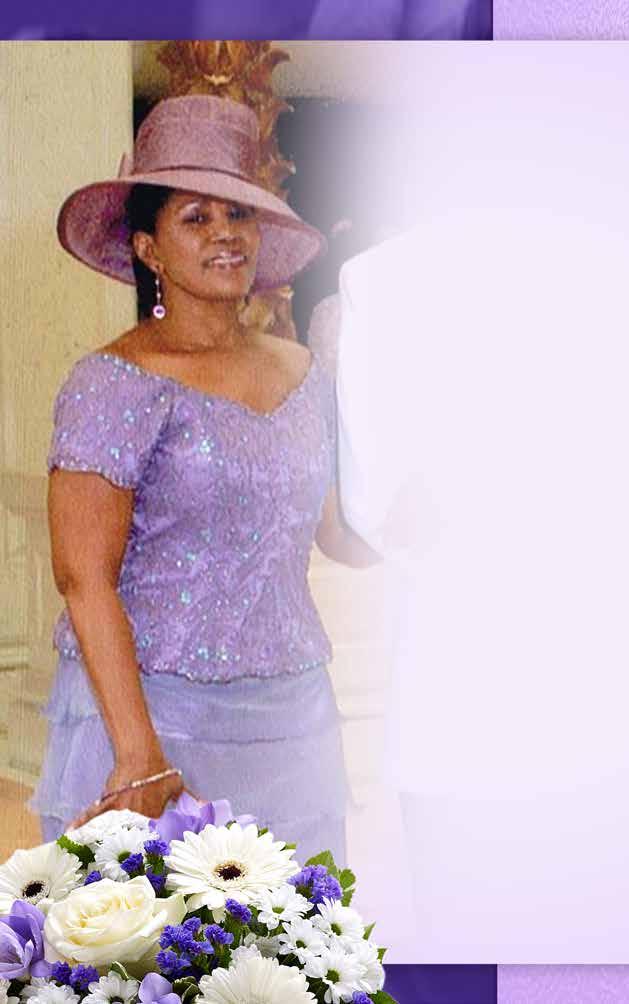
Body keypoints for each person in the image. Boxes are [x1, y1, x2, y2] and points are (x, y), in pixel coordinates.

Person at [27, 93, 380, 866]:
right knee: (152, 939)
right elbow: (83, 577)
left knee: (296, 932)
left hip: (292, 724)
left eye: (238, 213)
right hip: (151, 718)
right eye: (196, 217)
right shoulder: (111, 383)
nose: (225, 232)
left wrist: (423, 517)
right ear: (149, 248)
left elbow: (337, 533)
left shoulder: (305, 374)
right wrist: (138, 753)